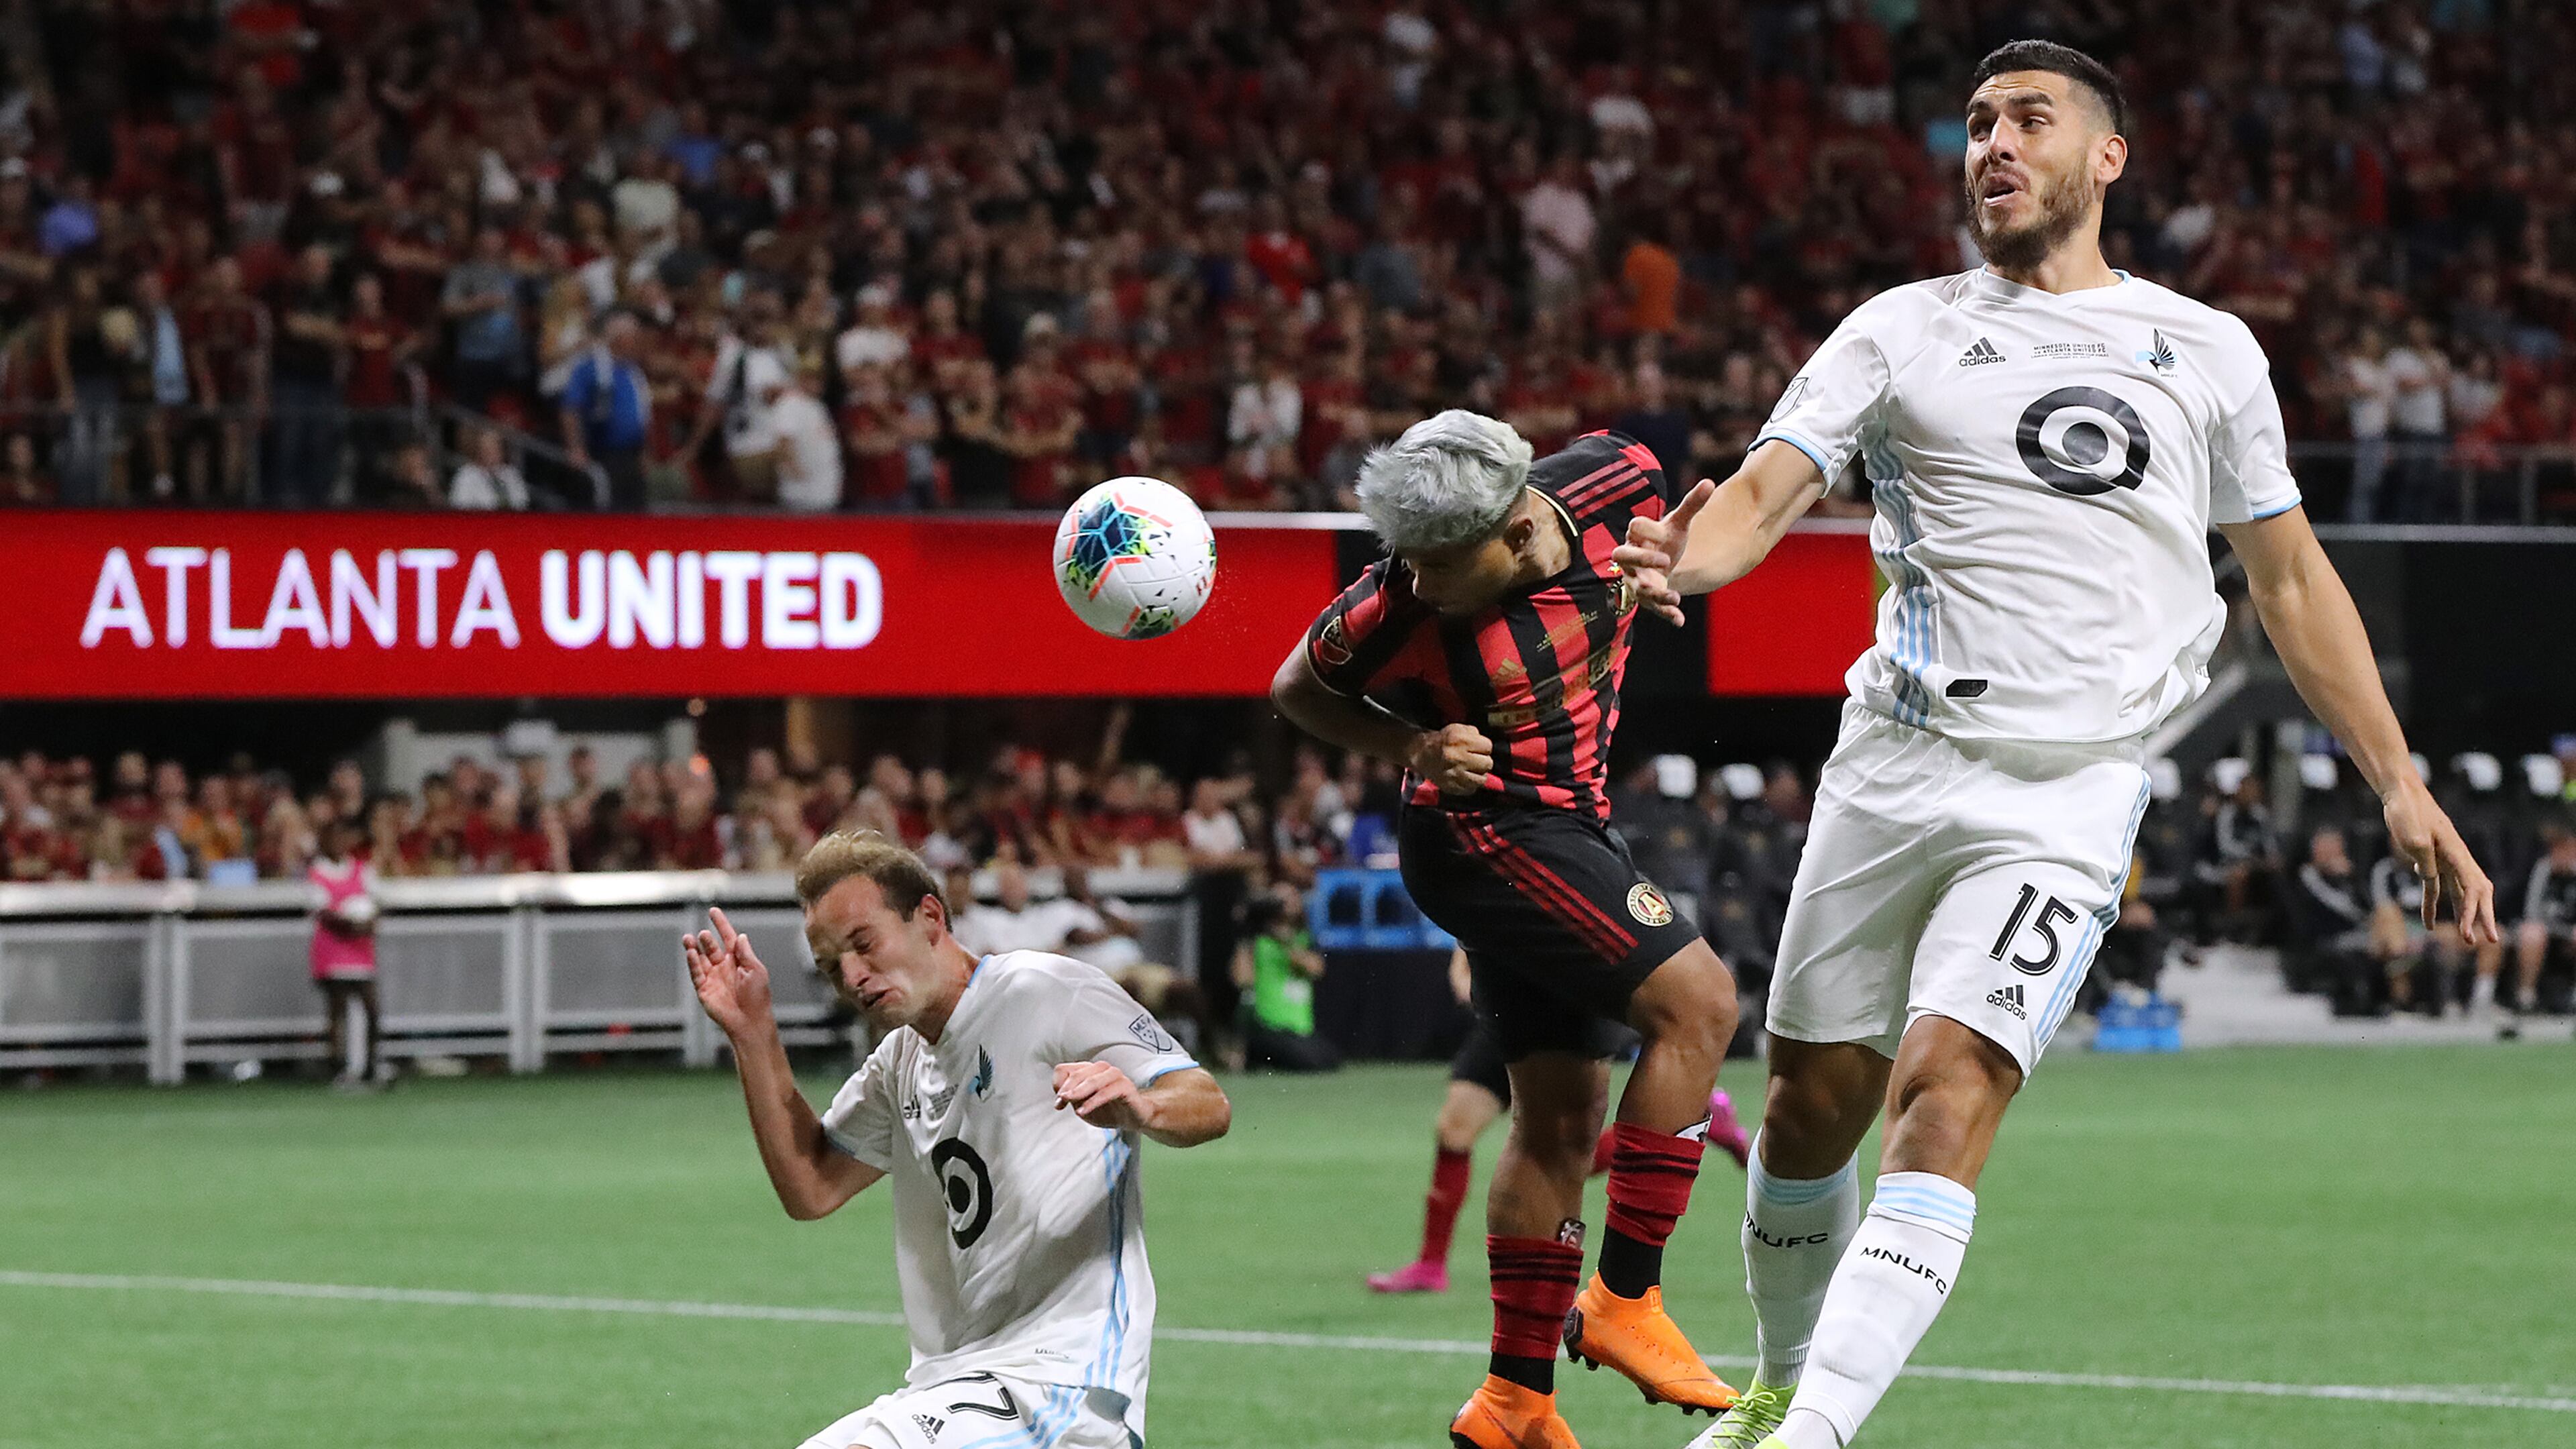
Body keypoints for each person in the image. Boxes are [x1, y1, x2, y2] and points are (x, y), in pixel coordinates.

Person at [1613, 42, 2500, 1449]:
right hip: (1894, 762)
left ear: (2108, 157)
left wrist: (2399, 779)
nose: (1995, 146)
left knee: (1949, 1087)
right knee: (1805, 1114)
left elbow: (2287, 578)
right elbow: (1769, 492)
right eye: (1976, 124)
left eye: (2030, 120)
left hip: (2070, 788)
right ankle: (1778, 1375)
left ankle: (1810, 1432)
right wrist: (1686, 559)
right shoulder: (1898, 328)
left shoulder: (2207, 349)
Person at [1271, 410, 1746, 1445]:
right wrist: (1412, 745)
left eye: (1443, 564)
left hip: (1572, 827)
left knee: (1560, 1126)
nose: (1419, 581)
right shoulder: (1391, 600)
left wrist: (1669, 564)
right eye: (1408, 559)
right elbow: (1296, 687)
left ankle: (1514, 1399)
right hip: (1484, 833)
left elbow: (1670, 524)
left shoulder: (1618, 477)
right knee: (1701, 1003)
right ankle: (1626, 1301)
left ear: (1519, 533)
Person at [684, 831, 1230, 1449]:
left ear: (930, 917)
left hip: (1062, 1383)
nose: (854, 977)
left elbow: (1206, 1101)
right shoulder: (900, 1064)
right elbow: (810, 1185)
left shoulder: (1044, 990)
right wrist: (754, 1034)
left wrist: (1143, 1106)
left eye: (864, 944)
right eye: (834, 966)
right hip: (958, 1383)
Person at [1368, 947, 1751, 1295]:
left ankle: (1693, 1120)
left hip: (1556, 1013)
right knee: (1454, 1130)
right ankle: (1431, 1265)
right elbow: (1463, 961)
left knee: (1560, 1158)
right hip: (1503, 1016)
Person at [1230, 884, 1338, 1073]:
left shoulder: (1303, 938)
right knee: (1308, 1062)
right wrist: (1245, 934)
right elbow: (1241, 979)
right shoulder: (1258, 940)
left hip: (1300, 1028)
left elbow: (1315, 969)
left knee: (1328, 1059)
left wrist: (1282, 940)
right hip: (1269, 1025)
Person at [309, 818, 383, 1090]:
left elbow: (377, 905)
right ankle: (338, 1067)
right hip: (333, 950)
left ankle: (369, 1066)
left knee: (371, 1008)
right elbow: (324, 912)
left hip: (361, 952)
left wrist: (369, 923)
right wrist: (353, 925)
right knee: (337, 1009)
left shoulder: (362, 871)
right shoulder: (317, 873)